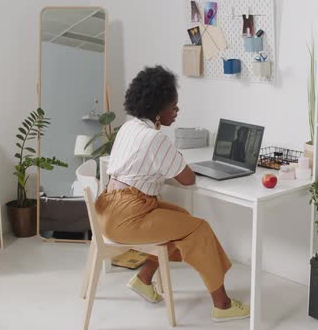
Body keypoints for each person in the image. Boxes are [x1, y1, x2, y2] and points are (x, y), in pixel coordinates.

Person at [95, 66, 250, 322]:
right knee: (198, 229)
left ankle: (144, 279)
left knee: (182, 218)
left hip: (109, 209)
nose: (177, 112)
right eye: (173, 107)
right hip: (128, 216)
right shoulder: (155, 140)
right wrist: (178, 158)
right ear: (158, 110)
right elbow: (188, 180)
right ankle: (222, 305)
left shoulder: (129, 127)